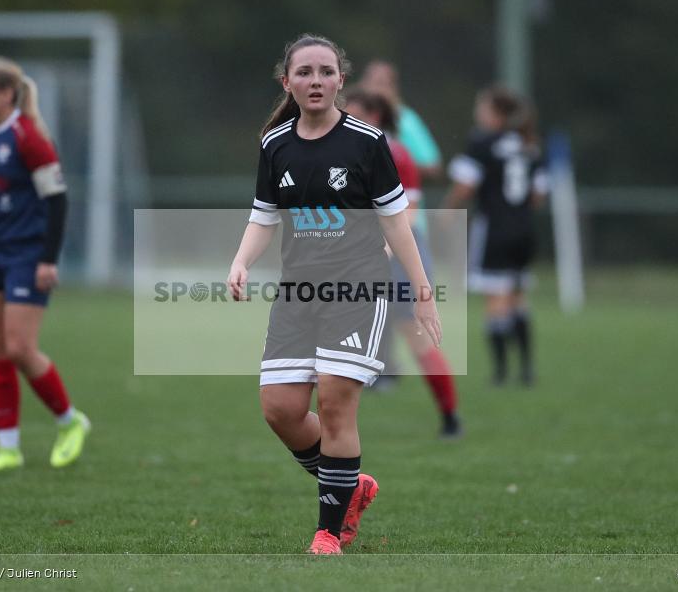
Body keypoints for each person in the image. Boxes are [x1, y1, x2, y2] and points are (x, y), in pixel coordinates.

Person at [228, 35, 441, 555]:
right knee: (280, 409)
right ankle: (351, 485)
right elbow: (264, 216)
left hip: (358, 290)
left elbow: (396, 222)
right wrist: (240, 261)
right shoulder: (274, 144)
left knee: (336, 404)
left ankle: (329, 532)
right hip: (297, 294)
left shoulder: (368, 142)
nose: (316, 81)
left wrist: (422, 290)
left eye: (326, 71)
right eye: (305, 72)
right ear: (288, 82)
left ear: (341, 80)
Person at [0, 56, 90, 473]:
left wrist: (47, 260)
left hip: (26, 254)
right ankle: (8, 448)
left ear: (6, 94)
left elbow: (57, 200)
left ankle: (70, 421)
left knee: (19, 347)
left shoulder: (28, 136)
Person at [343, 88, 461, 438]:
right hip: (359, 254)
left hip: (400, 255)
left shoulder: (394, 153)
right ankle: (327, 427)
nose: (345, 120)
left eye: (353, 114)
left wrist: (383, 251)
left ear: (374, 117)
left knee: (415, 334)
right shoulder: (343, 151)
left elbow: (407, 213)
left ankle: (450, 416)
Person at [443, 86, 548, 386]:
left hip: (495, 230)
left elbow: (465, 185)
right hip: (524, 230)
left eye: (482, 108)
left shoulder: (482, 142)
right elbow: (538, 195)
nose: (478, 114)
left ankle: (500, 373)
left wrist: (448, 210)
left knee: (496, 300)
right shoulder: (530, 144)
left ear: (496, 114)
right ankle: (526, 369)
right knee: (518, 298)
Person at [359, 60, 442, 180]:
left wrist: (394, 162)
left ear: (393, 89)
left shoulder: (405, 119)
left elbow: (432, 166)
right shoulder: (350, 115)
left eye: (382, 83)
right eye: (371, 82)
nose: (375, 90)